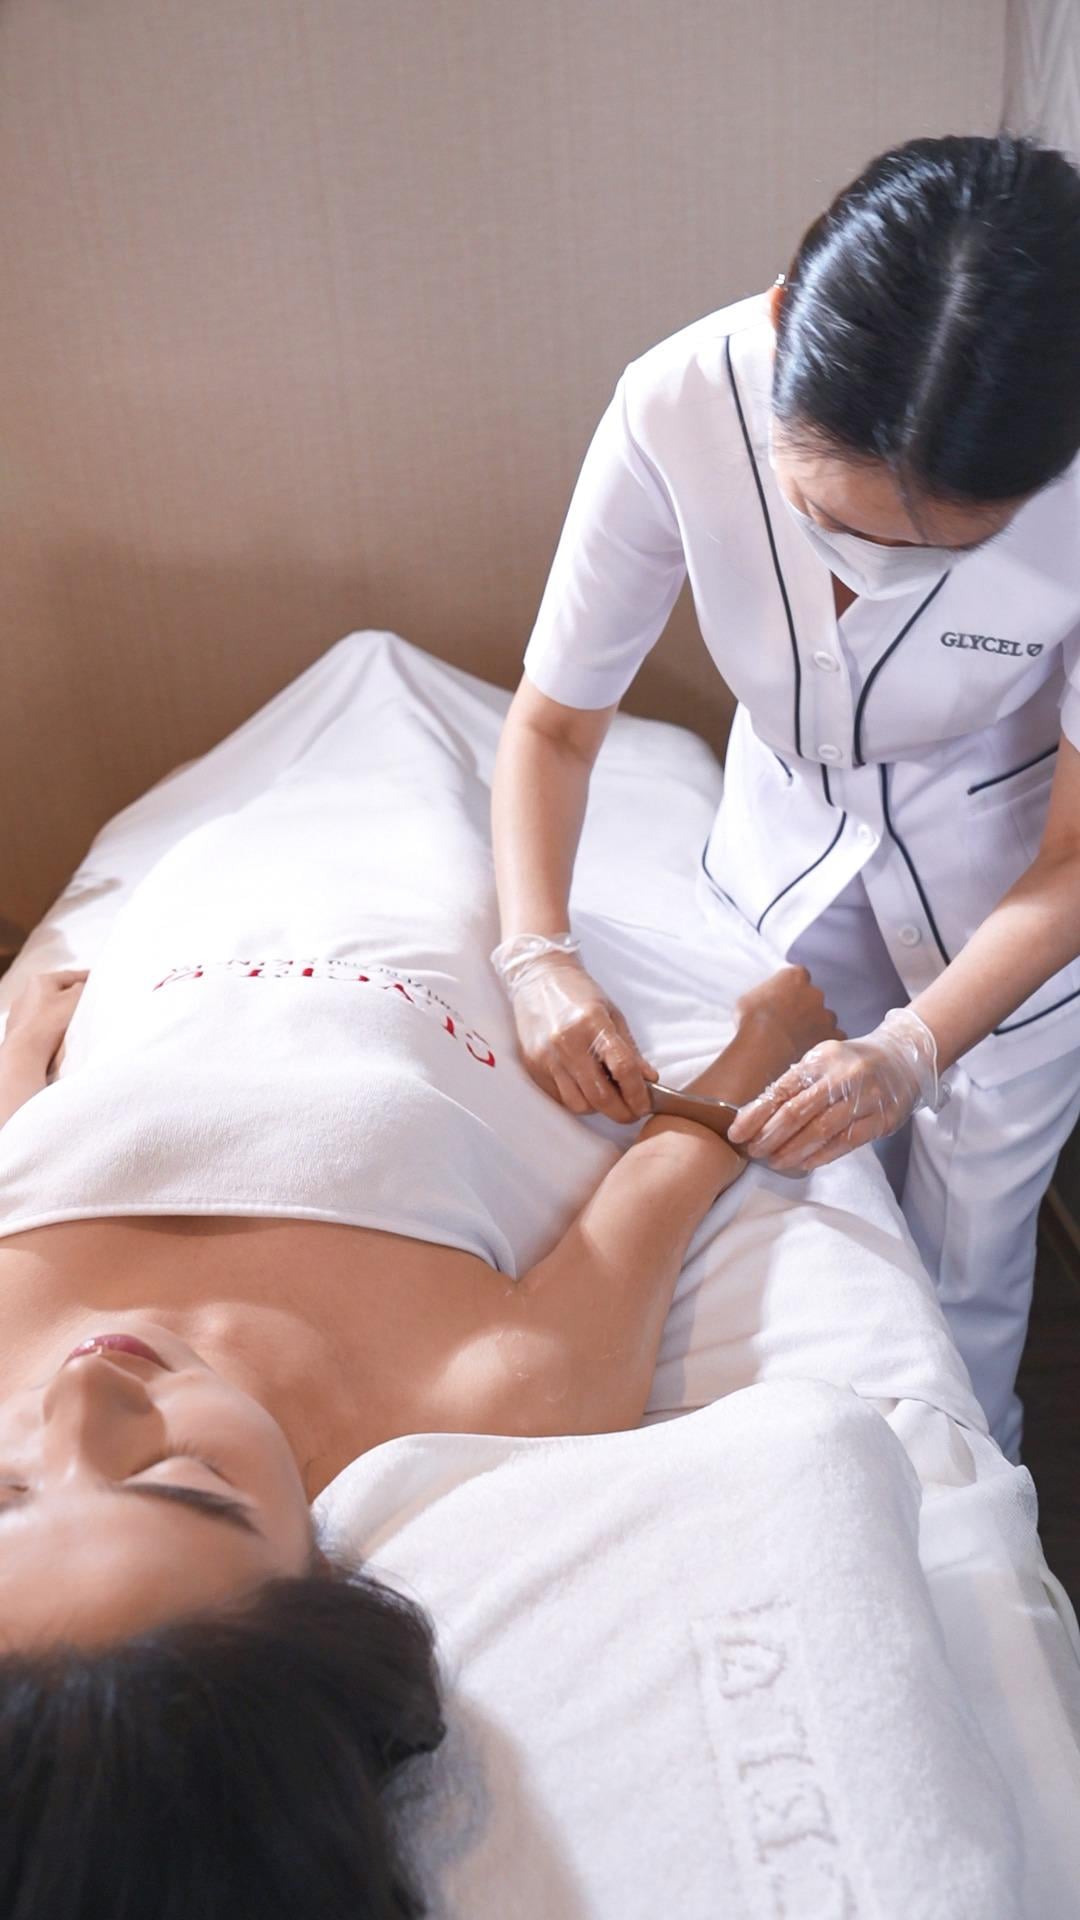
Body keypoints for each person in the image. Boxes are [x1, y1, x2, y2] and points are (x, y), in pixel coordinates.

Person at [0, 768, 835, 1920]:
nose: (81, 1400)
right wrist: (769, 1038)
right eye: (184, 1481)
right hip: (426, 872)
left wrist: (18, 1055)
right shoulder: (496, 1392)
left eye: (7, 1493)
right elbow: (670, 1169)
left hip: (196, 893)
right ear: (326, 1578)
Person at [491, 131, 1080, 1460]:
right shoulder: (678, 401)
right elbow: (557, 724)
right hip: (787, 849)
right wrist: (535, 955)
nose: (873, 572)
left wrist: (916, 1047)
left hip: (1012, 884)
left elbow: (1078, 846)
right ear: (778, 331)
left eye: (941, 551)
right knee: (780, 1221)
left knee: (972, 1267)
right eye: (835, 519)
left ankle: (963, 1505)